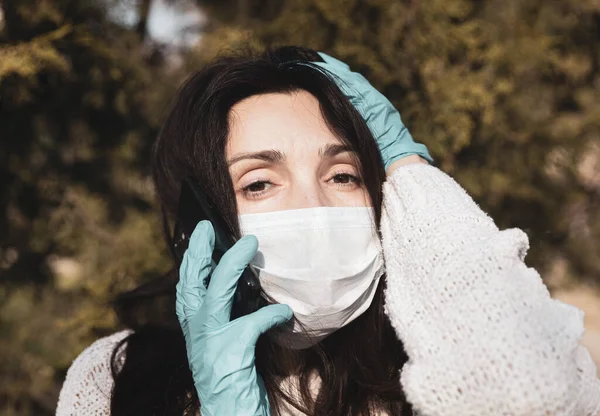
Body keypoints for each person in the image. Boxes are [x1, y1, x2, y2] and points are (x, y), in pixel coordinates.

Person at [56, 46, 600, 416]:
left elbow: (535, 398)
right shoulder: (116, 380)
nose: (314, 206)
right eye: (259, 184)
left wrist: (410, 169)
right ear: (203, 227)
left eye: (343, 174)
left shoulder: (436, 368)